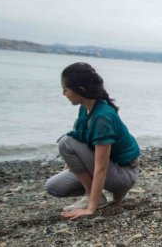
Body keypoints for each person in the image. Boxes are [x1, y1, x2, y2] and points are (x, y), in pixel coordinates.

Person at [45, 63, 141, 220]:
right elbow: (80, 135)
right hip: (113, 170)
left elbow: (101, 168)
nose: (64, 93)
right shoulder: (86, 107)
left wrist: (91, 209)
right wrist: (73, 164)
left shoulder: (102, 116)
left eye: (66, 89)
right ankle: (101, 194)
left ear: (80, 89)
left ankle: (94, 197)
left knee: (65, 142)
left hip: (123, 173)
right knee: (54, 187)